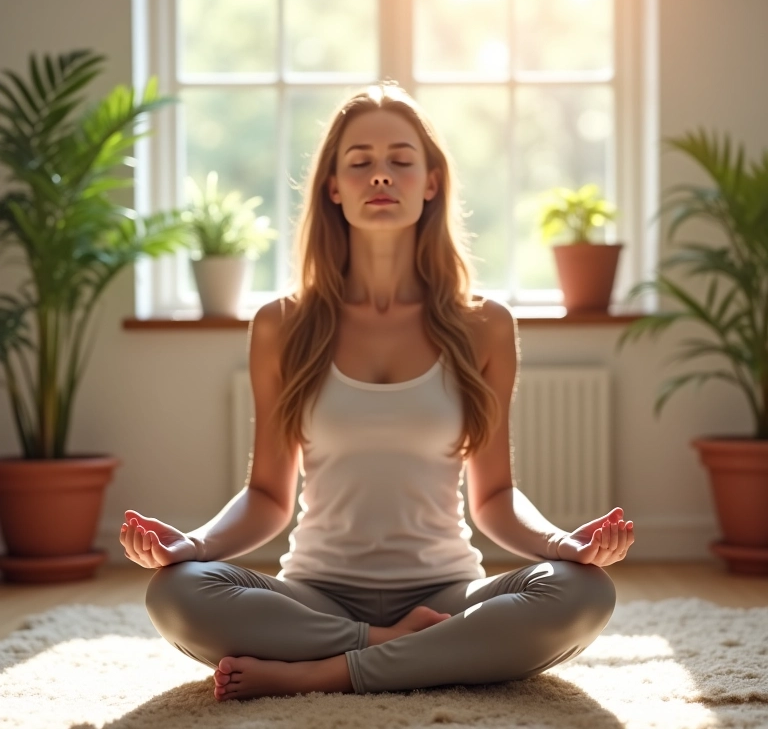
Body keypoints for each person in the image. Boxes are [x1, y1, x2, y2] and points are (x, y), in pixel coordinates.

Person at [120, 82, 635, 703]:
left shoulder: (485, 325)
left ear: (432, 182)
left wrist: (565, 544)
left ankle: (329, 670)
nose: (381, 176)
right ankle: (392, 646)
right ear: (333, 187)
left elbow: (494, 496)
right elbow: (267, 496)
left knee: (585, 590)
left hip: (447, 590)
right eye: (360, 162)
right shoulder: (281, 325)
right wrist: (191, 545)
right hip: (316, 591)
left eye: (400, 160)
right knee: (176, 590)